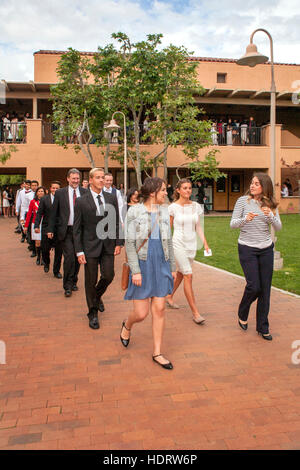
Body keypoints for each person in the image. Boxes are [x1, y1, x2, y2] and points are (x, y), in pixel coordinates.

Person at [121, 177, 176, 370]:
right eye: (163, 190)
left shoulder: (164, 210)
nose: (166, 193)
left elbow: (168, 240)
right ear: (152, 192)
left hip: (161, 263)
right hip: (142, 264)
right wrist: (135, 271)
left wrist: (173, 267)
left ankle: (157, 352)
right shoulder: (134, 211)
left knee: (159, 309)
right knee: (141, 313)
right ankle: (127, 325)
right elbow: (129, 243)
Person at [230, 172, 282, 341]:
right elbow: (233, 224)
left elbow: (279, 227)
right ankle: (243, 311)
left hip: (266, 249)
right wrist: (245, 219)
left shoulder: (270, 204)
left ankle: (263, 327)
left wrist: (271, 216)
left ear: (264, 186)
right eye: (252, 183)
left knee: (265, 289)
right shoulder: (242, 201)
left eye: (256, 183)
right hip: (247, 248)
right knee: (254, 286)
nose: (252, 186)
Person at [73, 168, 123, 329]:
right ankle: (92, 313)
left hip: (108, 245)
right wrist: (79, 251)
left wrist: (118, 242)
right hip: (89, 247)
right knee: (90, 280)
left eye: (103, 178)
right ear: (91, 180)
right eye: (98, 178)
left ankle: (96, 295)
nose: (102, 180)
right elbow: (77, 228)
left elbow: (116, 221)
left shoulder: (111, 197)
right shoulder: (81, 201)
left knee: (109, 275)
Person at [166, 179, 210, 324]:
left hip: (192, 244)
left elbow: (198, 226)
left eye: (190, 188)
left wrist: (205, 242)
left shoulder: (196, 206)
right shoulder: (172, 208)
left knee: (181, 272)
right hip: (178, 243)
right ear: (178, 190)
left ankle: (169, 296)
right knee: (188, 275)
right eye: (184, 188)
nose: (188, 190)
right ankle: (195, 313)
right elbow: (168, 228)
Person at [48, 168, 87, 297]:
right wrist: (50, 229)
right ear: (68, 179)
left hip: (81, 231)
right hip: (66, 231)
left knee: (78, 258)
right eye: (73, 178)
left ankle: (74, 279)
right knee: (69, 257)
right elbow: (54, 213)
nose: (76, 181)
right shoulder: (60, 193)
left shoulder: (85, 192)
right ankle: (67, 286)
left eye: (77, 178)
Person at [34, 181, 63, 278]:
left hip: (59, 228)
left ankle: (56, 271)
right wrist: (36, 225)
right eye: (53, 188)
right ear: (50, 189)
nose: (55, 190)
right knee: (45, 249)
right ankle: (46, 262)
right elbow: (39, 213)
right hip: (46, 228)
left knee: (59, 251)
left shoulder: (63, 199)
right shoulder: (44, 199)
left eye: (57, 188)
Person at [24, 186, 45, 265]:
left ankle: (43, 257)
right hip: (35, 223)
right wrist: (26, 226)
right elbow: (29, 214)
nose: (40, 193)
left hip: (44, 223)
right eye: (39, 191)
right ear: (36, 193)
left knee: (44, 242)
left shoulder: (47, 201)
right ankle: (38, 256)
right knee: (38, 242)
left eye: (42, 191)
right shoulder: (33, 202)